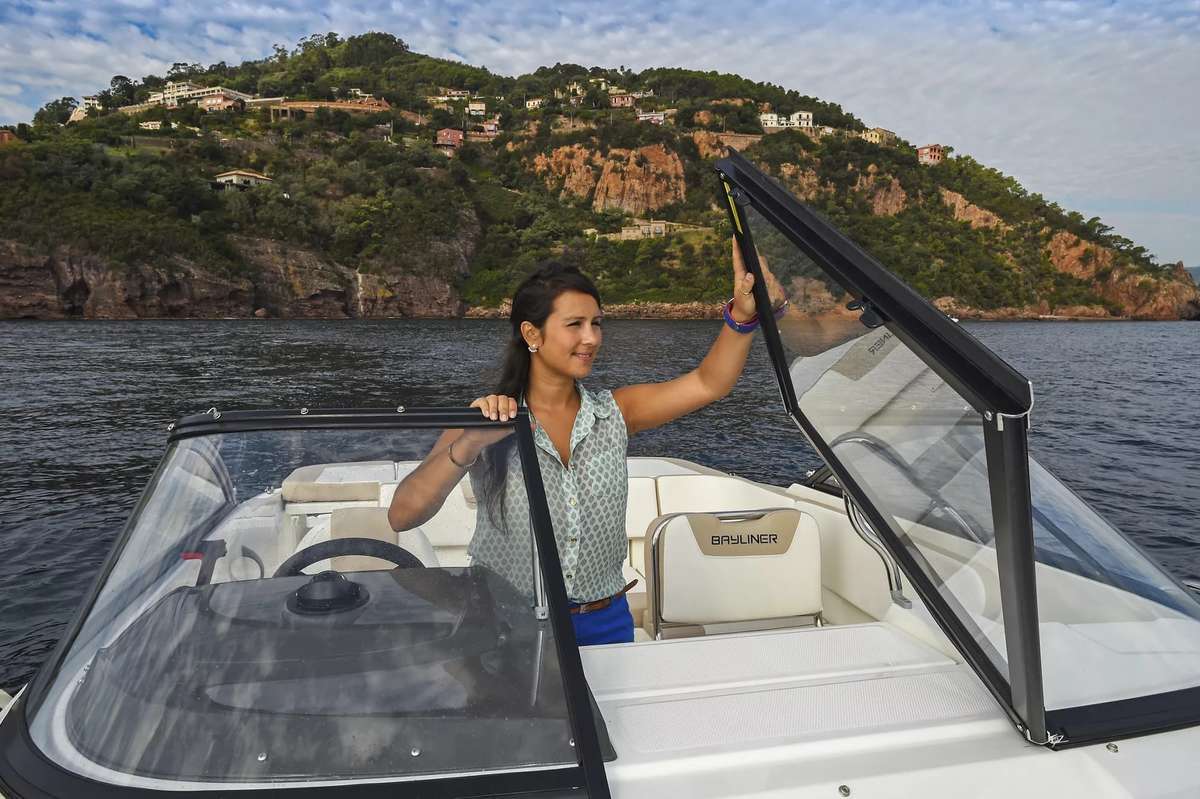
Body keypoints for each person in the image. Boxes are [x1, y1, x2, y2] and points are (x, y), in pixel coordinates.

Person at [388, 242, 775, 645]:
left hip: (604, 623)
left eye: (597, 323)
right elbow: (403, 516)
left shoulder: (616, 412)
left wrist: (743, 317)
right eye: (575, 324)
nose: (591, 338)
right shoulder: (485, 419)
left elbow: (707, 383)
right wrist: (469, 444)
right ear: (531, 333)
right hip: (504, 623)